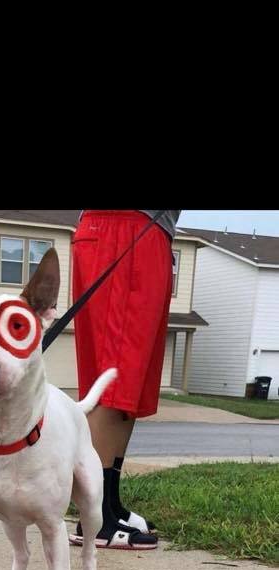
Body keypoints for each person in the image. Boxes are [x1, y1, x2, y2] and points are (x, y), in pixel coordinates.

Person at [69, 210, 182, 550]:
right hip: (125, 227)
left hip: (144, 231)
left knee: (127, 385)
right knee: (114, 379)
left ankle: (109, 503)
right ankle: (96, 518)